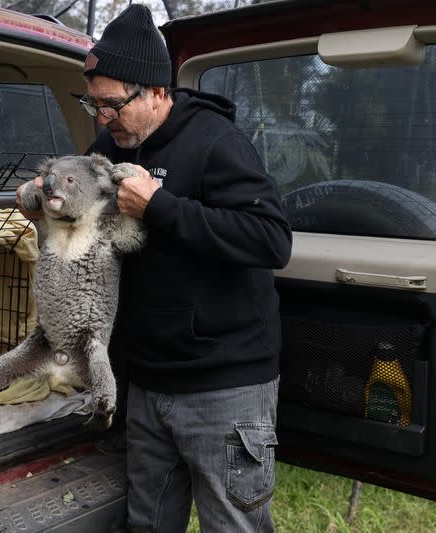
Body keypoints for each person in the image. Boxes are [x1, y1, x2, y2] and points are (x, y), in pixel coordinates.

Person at [17, 4, 293, 532]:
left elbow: (271, 240)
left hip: (223, 386)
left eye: (113, 105)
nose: (101, 118)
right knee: (146, 524)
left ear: (159, 93)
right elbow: (82, 212)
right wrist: (41, 198)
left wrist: (161, 207)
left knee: (233, 525)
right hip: (146, 382)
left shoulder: (217, 143)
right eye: (92, 104)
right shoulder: (107, 146)